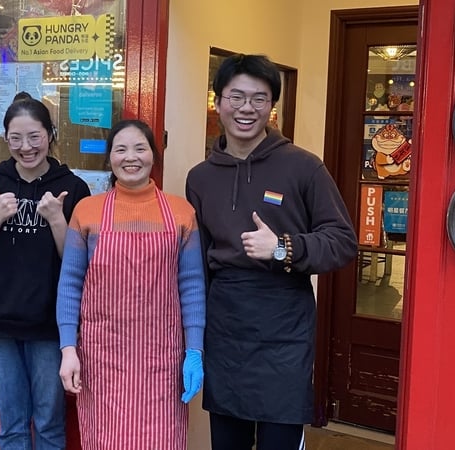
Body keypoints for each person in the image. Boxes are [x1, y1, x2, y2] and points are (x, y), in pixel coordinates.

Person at [185, 54, 358, 450]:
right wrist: (192, 334)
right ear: (218, 102)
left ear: (272, 107)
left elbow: (342, 241)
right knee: (228, 442)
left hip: (285, 326)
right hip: (226, 327)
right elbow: (198, 263)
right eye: (237, 97)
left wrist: (283, 247)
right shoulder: (201, 177)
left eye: (259, 99)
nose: (247, 108)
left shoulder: (303, 167)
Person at [56, 119, 206, 449]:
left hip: (162, 362)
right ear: (110, 157)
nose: (131, 157)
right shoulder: (86, 211)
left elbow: (192, 286)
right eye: (121, 149)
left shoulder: (181, 213)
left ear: (154, 154)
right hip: (101, 360)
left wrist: (194, 349)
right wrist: (69, 349)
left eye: (140, 148)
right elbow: (69, 285)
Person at [0, 92, 91, 450]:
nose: (26, 147)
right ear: (5, 139)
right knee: (11, 424)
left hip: (50, 327)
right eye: (16, 138)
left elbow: (79, 263)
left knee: (48, 423)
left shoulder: (74, 188)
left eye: (35, 136)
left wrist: (57, 221)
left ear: (50, 134)